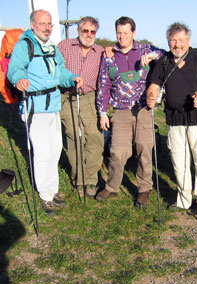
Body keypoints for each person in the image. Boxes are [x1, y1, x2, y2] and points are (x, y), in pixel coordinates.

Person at [7, 9, 82, 216]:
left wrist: (72, 78)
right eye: (43, 24)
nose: (47, 28)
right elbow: (15, 69)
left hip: (53, 106)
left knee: (56, 149)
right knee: (42, 152)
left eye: (50, 24)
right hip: (35, 107)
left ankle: (53, 190)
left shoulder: (51, 48)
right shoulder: (25, 45)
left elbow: (61, 72)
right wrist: (19, 79)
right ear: (32, 25)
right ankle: (45, 196)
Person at [147, 22, 197, 214]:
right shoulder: (163, 62)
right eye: (173, 41)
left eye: (181, 40)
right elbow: (154, 85)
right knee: (179, 161)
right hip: (174, 118)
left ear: (188, 41)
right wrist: (151, 97)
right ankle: (184, 199)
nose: (177, 45)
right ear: (168, 42)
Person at [95, 16, 164, 207]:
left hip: (143, 109)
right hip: (120, 111)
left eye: (126, 33)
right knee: (117, 151)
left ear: (134, 33)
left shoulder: (145, 49)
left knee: (144, 148)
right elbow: (104, 85)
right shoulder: (109, 56)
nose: (122, 36)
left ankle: (144, 188)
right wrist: (102, 112)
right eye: (119, 33)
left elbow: (164, 54)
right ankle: (112, 185)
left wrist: (152, 56)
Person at [58, 16, 104, 198]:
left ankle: (91, 179)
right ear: (78, 31)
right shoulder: (64, 46)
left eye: (93, 31)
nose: (89, 34)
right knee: (75, 138)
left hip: (90, 98)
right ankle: (80, 180)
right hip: (68, 97)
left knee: (94, 137)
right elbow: (57, 69)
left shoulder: (101, 51)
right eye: (85, 30)